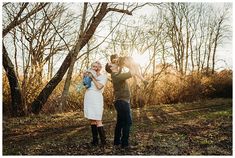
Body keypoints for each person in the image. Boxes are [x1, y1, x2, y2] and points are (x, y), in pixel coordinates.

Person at [105, 62, 134, 149]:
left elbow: (121, 70)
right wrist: (128, 64)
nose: (115, 63)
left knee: (120, 123)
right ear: (111, 68)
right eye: (113, 63)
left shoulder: (116, 75)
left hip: (120, 102)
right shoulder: (116, 76)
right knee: (128, 122)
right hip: (122, 102)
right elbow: (131, 73)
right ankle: (124, 144)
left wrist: (121, 64)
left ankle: (116, 142)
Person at [83, 61, 107, 146]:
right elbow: (85, 86)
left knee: (98, 119)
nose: (95, 68)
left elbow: (99, 87)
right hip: (89, 97)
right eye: (93, 66)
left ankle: (103, 141)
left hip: (97, 98)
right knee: (92, 119)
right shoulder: (89, 76)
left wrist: (93, 77)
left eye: (96, 66)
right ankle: (95, 141)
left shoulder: (103, 76)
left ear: (100, 68)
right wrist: (85, 77)